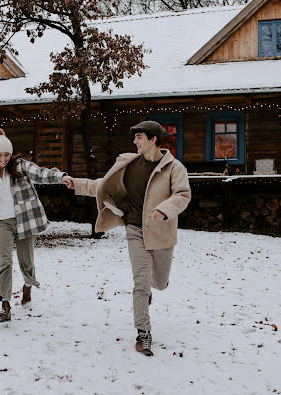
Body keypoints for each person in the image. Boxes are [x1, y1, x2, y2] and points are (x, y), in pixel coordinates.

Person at [62, 121, 191, 356]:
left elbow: (183, 195)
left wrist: (164, 210)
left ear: (153, 139)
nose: (135, 142)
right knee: (140, 282)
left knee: (159, 283)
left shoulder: (175, 168)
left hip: (162, 232)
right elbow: (104, 186)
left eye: (139, 137)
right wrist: (77, 184)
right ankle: (143, 333)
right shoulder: (129, 164)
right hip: (134, 230)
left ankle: (150, 291)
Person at [0, 128, 69, 322]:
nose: (3, 159)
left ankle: (27, 286)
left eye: (7, 154)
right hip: (2, 223)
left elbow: (41, 174)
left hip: (25, 220)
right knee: (4, 261)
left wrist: (61, 176)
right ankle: (5, 304)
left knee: (27, 261)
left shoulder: (20, 167)